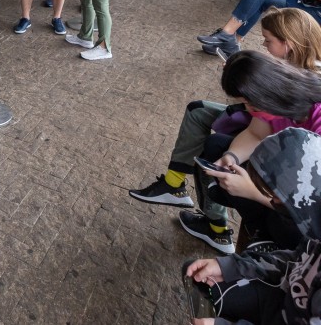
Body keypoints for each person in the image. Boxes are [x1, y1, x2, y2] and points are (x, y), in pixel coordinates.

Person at [131, 47, 321, 255]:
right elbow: (255, 134)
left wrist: (253, 192)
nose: (248, 110)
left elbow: (312, 207)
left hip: (307, 213)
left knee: (282, 224)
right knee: (217, 146)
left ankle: (265, 238)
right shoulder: (279, 100)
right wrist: (231, 157)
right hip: (287, 179)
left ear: (267, 94)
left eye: (250, 104)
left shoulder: (315, 120)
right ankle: (223, 224)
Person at [186, 128, 321, 325]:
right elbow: (296, 260)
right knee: (197, 277)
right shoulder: (315, 232)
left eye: (276, 196)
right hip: (283, 299)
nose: (273, 201)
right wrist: (230, 267)